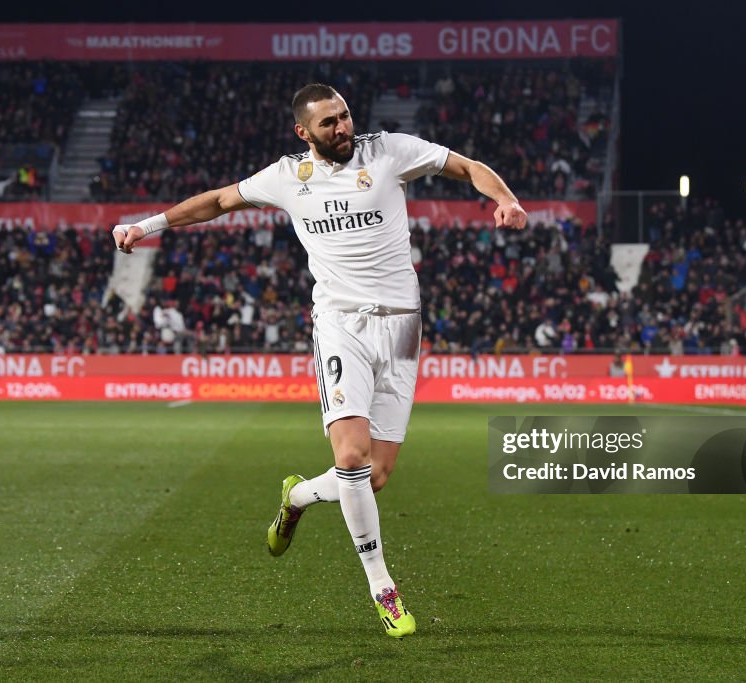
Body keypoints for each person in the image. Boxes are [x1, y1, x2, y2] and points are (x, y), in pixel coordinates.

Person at [112, 83, 527, 638]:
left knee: (373, 475)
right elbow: (217, 201)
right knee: (352, 456)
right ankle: (384, 588)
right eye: (329, 122)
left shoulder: (389, 151)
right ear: (303, 132)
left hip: (403, 324)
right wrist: (148, 225)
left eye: (345, 115)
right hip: (340, 324)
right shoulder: (287, 177)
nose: (343, 127)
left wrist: (505, 199)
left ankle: (298, 495)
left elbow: (467, 166)